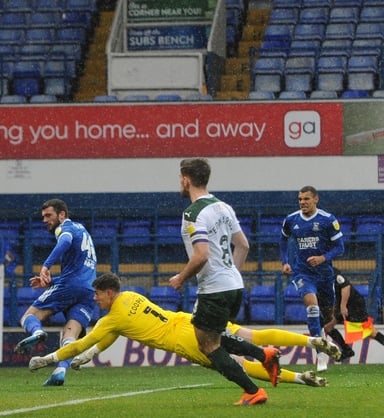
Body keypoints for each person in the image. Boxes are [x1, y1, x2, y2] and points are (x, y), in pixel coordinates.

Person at [29, 274, 341, 406]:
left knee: (227, 364)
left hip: (182, 340)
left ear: (108, 293)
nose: (95, 299)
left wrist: (49, 359)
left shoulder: (112, 317)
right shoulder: (130, 297)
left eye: (97, 295)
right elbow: (111, 335)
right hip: (185, 319)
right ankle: (286, 351)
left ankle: (260, 388)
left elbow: (85, 341)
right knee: (237, 340)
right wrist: (92, 354)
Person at [168, 158, 275, 405]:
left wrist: (181, 278)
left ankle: (253, 390)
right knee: (209, 335)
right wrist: (230, 274)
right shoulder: (223, 206)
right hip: (233, 285)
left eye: (180, 178)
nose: (180, 183)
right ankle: (264, 354)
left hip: (216, 288)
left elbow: (201, 255)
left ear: (186, 179)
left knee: (207, 345)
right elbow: (244, 245)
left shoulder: (193, 213)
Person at [13, 198, 98, 387]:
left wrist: (46, 266)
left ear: (62, 215)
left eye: (49, 215)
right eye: (43, 217)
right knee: (70, 334)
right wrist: (53, 282)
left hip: (71, 285)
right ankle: (60, 371)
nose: (45, 220)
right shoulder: (82, 230)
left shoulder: (65, 228)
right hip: (89, 290)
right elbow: (80, 271)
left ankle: (37, 332)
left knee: (28, 316)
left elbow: (65, 240)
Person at [280, 185, 345, 372]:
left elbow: (340, 248)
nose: (302, 203)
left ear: (316, 199)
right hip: (302, 273)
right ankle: (321, 354)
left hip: (324, 275)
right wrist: (285, 261)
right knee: (312, 307)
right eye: (300, 199)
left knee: (327, 316)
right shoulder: (291, 220)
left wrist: (323, 258)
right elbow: (283, 240)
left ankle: (324, 336)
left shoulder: (327, 220)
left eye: (306, 199)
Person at [323, 268, 384, 360]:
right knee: (328, 327)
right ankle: (347, 350)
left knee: (371, 332)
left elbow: (346, 287)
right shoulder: (317, 273)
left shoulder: (330, 271)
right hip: (341, 304)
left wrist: (343, 306)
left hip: (353, 304)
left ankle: (347, 350)